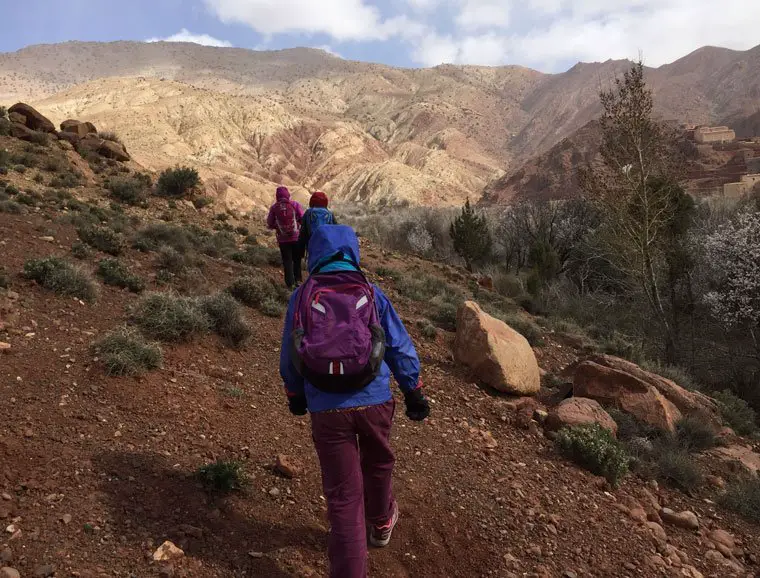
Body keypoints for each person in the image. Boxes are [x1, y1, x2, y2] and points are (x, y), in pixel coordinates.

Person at [280, 225, 431, 578]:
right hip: (375, 401)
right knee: (378, 465)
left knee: (344, 496)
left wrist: (296, 394)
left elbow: (290, 356)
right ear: (353, 252)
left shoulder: (302, 295)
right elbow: (398, 346)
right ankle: (380, 524)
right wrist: (413, 390)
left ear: (313, 254)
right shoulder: (372, 293)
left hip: (326, 408)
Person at [266, 186, 305, 289]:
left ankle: (290, 284)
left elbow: (269, 223)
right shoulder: (295, 204)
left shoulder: (274, 207)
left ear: (277, 196)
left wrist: (277, 226)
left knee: (287, 261)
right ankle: (298, 281)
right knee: (296, 260)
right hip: (296, 237)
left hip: (283, 239)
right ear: (288, 195)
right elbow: (302, 218)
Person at [299, 191, 338, 255]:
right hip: (326, 244)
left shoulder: (308, 212)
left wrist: (301, 250)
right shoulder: (329, 213)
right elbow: (336, 228)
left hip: (312, 243)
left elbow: (303, 232)